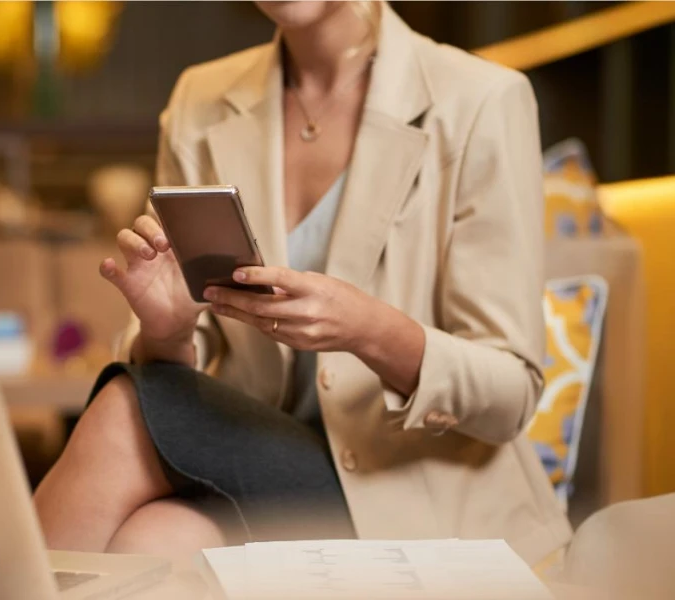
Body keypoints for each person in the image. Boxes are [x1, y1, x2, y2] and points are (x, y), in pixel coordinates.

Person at [33, 0, 571, 566]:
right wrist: (167, 332)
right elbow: (187, 358)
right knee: (156, 538)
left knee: (126, 409)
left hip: (416, 495)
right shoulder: (199, 100)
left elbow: (511, 393)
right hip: (264, 472)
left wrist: (368, 329)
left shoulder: (482, 100)